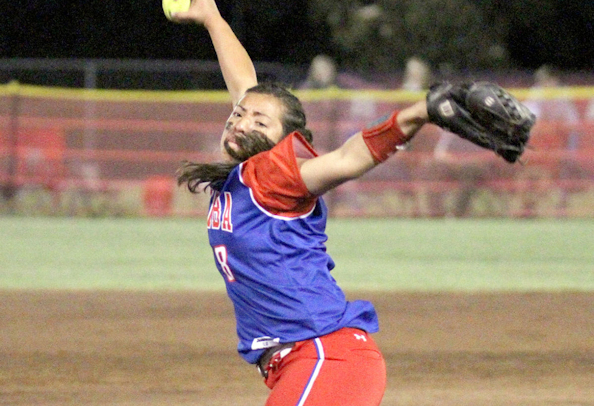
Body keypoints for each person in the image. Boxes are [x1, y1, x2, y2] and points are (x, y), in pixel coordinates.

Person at [172, 1, 430, 405]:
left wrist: (422, 111)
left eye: (260, 122)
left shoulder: (273, 174)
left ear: (283, 143)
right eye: (239, 115)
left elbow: (348, 160)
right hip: (313, 362)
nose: (241, 122)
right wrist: (211, 18)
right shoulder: (244, 175)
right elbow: (245, 84)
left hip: (325, 357)